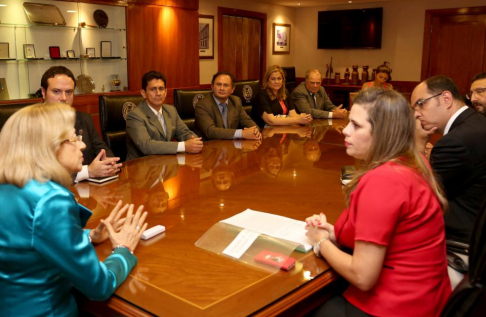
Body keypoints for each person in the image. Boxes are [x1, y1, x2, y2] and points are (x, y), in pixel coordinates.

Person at [306, 89, 451, 317]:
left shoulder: (383, 179)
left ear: (382, 133)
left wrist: (321, 242)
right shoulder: (414, 162)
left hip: (395, 307)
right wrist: (333, 232)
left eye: (356, 125)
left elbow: (363, 276)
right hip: (427, 299)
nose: (345, 130)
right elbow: (391, 235)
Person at [0, 103, 148, 316]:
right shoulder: (50, 199)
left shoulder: (11, 185)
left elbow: (27, 238)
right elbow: (99, 286)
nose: (83, 146)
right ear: (48, 146)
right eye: (73, 139)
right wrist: (123, 249)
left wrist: (88, 236)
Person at [413, 75, 486, 246]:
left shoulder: (455, 141)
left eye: (421, 104)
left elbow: (419, 195)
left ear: (446, 99)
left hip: (457, 241)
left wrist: (418, 145)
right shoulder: (477, 122)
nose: (416, 114)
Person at [41, 66, 122, 182]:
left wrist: (108, 164)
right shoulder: (32, 125)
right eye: (56, 91)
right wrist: (87, 171)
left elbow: (102, 149)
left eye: (69, 92)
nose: (63, 98)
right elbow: (40, 173)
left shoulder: (84, 119)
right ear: (43, 92)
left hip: (88, 190)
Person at [126, 71, 203, 160]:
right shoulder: (135, 115)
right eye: (153, 89)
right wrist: (184, 146)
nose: (158, 93)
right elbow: (146, 146)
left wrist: (194, 141)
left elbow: (184, 132)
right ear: (143, 93)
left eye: (161, 89)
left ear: (166, 92)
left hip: (166, 163)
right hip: (141, 166)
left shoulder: (171, 110)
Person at [195, 71, 261, 141]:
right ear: (212, 86)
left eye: (226, 85)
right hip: (211, 147)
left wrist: (255, 131)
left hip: (231, 146)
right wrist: (241, 133)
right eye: (218, 84)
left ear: (232, 89)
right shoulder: (202, 105)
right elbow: (211, 132)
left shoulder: (236, 101)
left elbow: (247, 121)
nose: (222, 88)